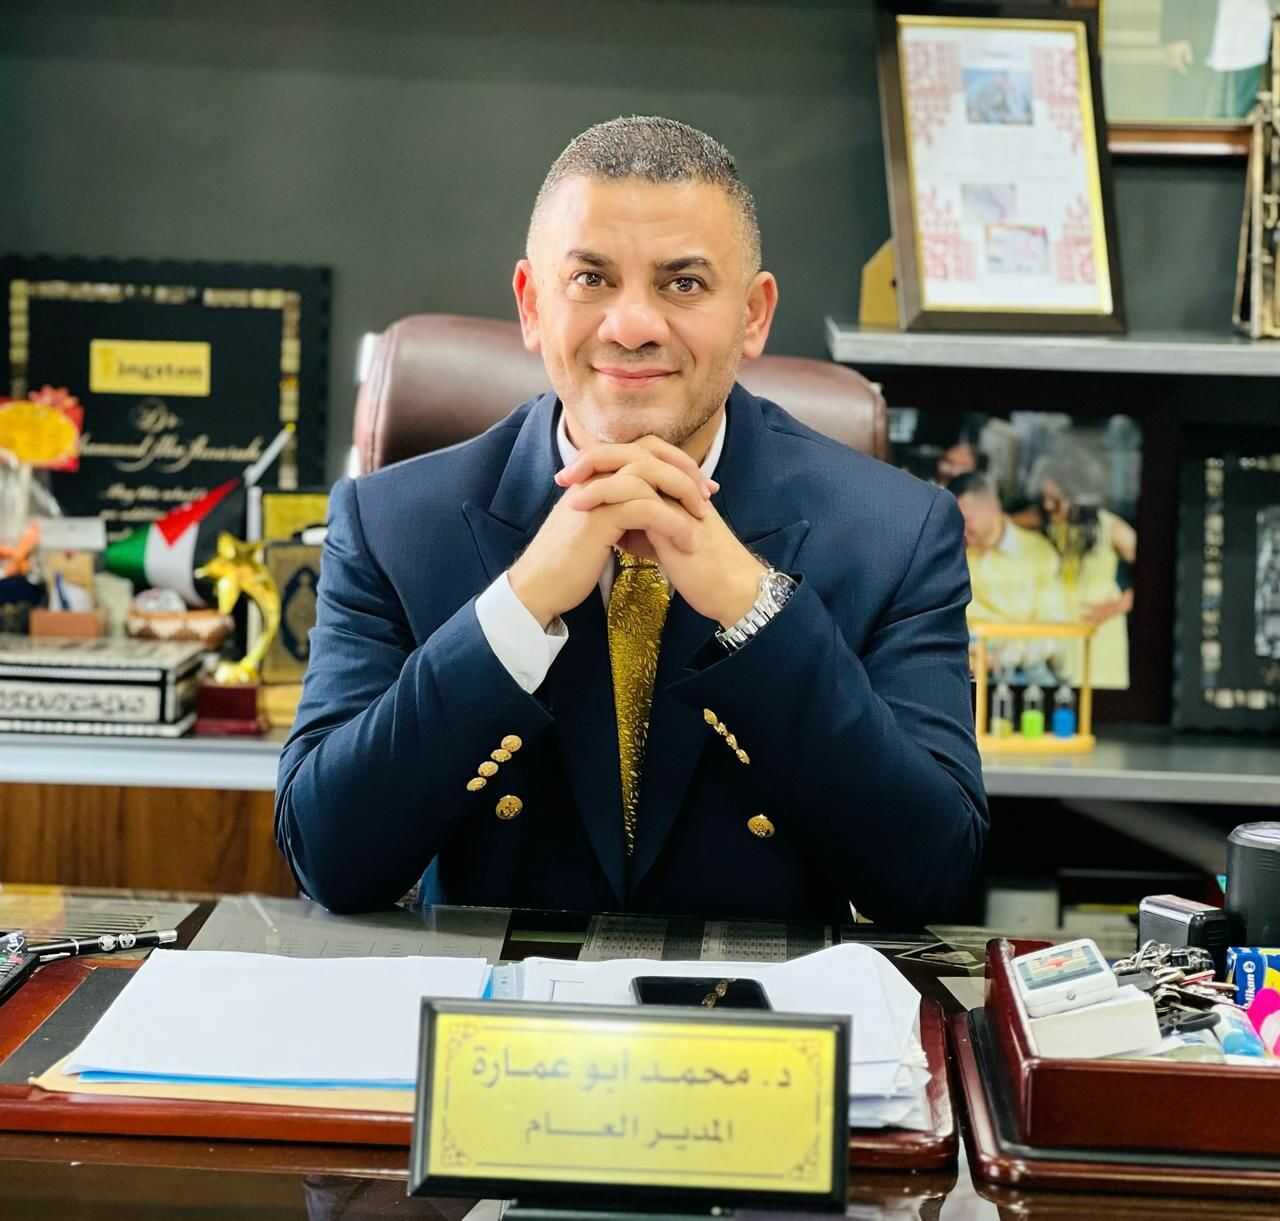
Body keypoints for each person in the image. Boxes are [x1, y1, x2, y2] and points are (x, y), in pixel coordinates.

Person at [275, 116, 987, 925]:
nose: (632, 325)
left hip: (756, 999)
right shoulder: (391, 523)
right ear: (532, 305)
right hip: (492, 1001)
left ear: (754, 315)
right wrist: (518, 606)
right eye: (591, 279)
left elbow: (933, 875)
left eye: (683, 283)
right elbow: (327, 856)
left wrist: (754, 609)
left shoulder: (897, 533)